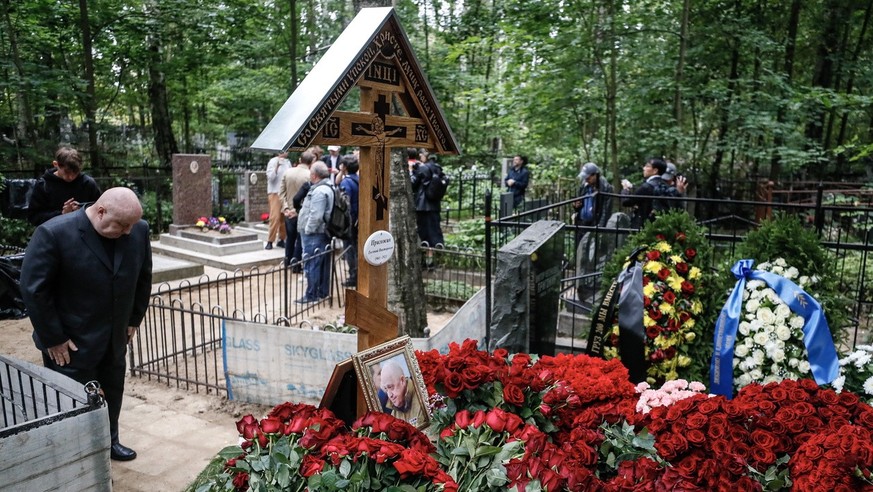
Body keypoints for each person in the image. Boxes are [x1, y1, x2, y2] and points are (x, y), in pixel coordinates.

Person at [20, 187, 152, 462]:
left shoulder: (138, 230)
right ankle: (76, 457)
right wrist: (53, 337)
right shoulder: (54, 233)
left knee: (112, 391)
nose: (128, 232)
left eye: (131, 225)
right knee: (74, 400)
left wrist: (133, 320)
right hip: (70, 342)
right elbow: (34, 290)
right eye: (122, 225)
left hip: (115, 336)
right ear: (101, 211)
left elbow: (143, 278)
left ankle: (109, 441)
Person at [27, 146, 102, 226]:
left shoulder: (87, 183)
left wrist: (83, 210)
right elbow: (34, 217)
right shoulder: (43, 185)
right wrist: (62, 214)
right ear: (56, 164)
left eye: (75, 172)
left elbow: (100, 210)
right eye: (67, 172)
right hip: (54, 234)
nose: (71, 177)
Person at [296, 162, 333, 303]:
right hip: (320, 233)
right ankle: (322, 292)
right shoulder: (327, 186)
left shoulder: (319, 191)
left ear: (314, 175)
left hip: (314, 233)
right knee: (320, 262)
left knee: (312, 263)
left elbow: (316, 216)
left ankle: (311, 295)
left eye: (311, 173)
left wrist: (308, 230)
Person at [409, 149, 444, 269]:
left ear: (426, 156)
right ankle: (434, 260)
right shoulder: (438, 167)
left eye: (421, 154)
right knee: (434, 233)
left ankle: (426, 262)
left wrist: (411, 172)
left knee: (424, 235)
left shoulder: (422, 168)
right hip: (434, 205)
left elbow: (412, 184)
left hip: (423, 206)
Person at [280, 152, 314, 270]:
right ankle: (296, 265)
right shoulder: (310, 175)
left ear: (300, 159)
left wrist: (286, 208)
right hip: (301, 211)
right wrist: (296, 210)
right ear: (311, 162)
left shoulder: (288, 172)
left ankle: (288, 262)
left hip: (288, 211)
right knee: (300, 239)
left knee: (290, 238)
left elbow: (281, 193)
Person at [572, 162, 614, 245]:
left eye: (588, 177)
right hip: (582, 223)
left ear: (595, 175)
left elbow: (606, 210)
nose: (586, 179)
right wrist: (576, 206)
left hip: (594, 224)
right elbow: (578, 202)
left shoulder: (605, 187)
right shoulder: (584, 186)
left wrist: (600, 228)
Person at [620, 157, 669, 227]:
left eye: (647, 166)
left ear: (655, 170)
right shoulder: (665, 185)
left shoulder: (647, 187)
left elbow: (626, 202)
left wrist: (625, 190)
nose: (644, 168)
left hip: (644, 225)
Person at [379, 359, 426, 427]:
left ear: (402, 380)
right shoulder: (393, 415)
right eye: (386, 389)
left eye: (391, 387)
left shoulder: (423, 397)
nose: (390, 395)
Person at [338, 155, 360, 287]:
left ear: (344, 167)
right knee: (355, 247)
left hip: (350, 221)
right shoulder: (358, 179)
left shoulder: (346, 182)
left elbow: (345, 204)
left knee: (349, 248)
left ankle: (354, 276)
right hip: (358, 219)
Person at [265, 151, 291, 250]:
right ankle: (270, 240)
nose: (285, 153)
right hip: (274, 192)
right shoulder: (272, 161)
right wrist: (277, 166)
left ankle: (281, 239)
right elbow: (270, 178)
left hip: (284, 192)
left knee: (283, 218)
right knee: (274, 217)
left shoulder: (288, 162)